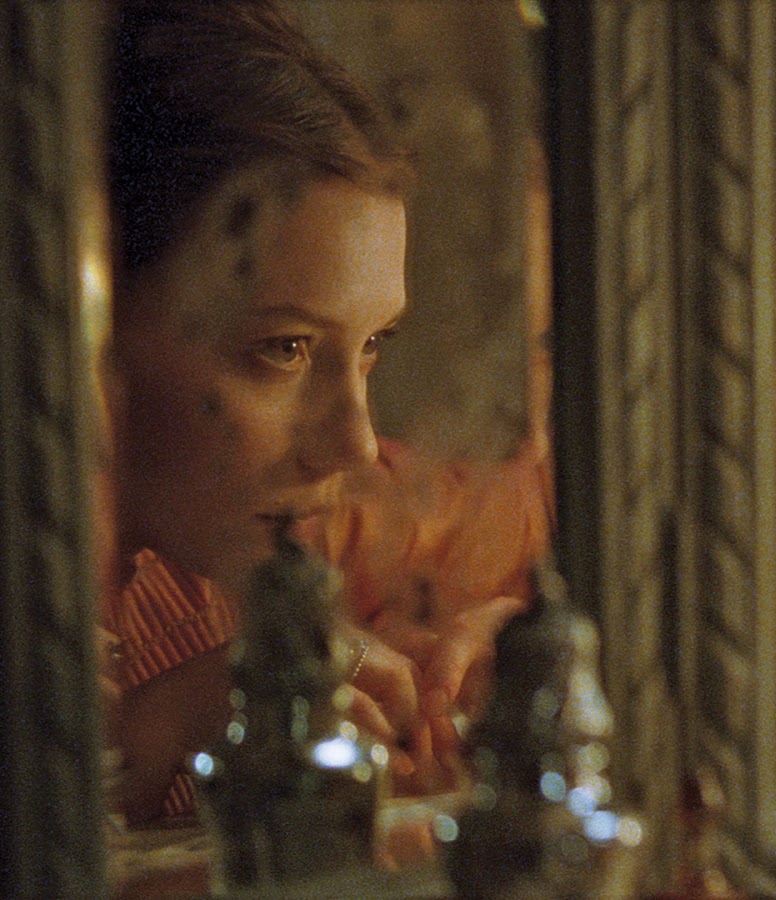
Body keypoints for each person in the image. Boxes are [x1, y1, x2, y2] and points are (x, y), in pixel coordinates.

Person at [102, 0, 552, 823]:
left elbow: (515, 517)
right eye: (285, 348)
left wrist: (513, 642)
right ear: (96, 322)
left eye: (373, 343)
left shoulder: (251, 547)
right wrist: (163, 722)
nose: (354, 442)